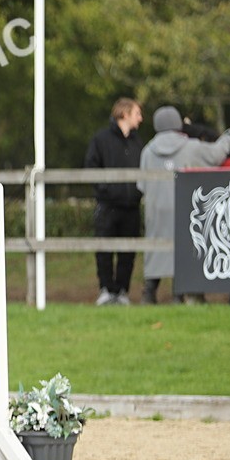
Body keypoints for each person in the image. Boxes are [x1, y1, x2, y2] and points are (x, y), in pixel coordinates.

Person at [137, 105, 230, 303]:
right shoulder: (189, 146)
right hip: (183, 207)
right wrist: (228, 136)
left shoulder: (147, 151)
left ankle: (148, 294)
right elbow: (216, 154)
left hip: (156, 210)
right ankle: (178, 296)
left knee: (156, 248)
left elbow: (142, 185)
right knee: (184, 247)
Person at [84, 97, 145, 305]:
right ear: (125, 114)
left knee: (128, 252)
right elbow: (91, 168)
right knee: (104, 249)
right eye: (137, 113)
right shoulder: (101, 139)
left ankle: (122, 292)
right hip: (108, 206)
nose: (140, 119)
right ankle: (106, 290)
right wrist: (106, 192)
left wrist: (137, 192)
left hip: (132, 206)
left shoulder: (138, 142)